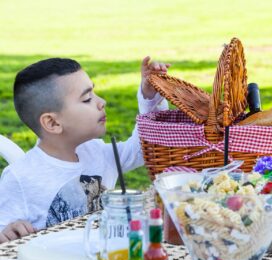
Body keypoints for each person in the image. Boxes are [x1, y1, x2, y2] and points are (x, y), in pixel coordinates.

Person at [0, 56, 170, 243]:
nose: (102, 102)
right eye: (87, 98)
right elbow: (4, 234)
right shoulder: (20, 178)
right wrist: (6, 233)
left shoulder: (97, 152)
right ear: (53, 122)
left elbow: (143, 148)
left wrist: (150, 98)